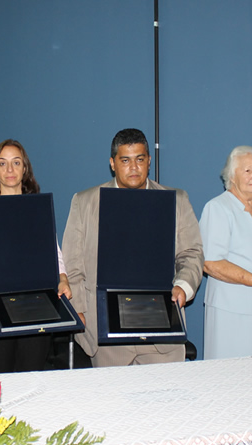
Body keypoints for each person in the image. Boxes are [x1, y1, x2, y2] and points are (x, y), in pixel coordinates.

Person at [62, 128, 203, 367]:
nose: (134, 167)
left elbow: (191, 253)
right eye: (125, 160)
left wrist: (183, 286)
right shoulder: (84, 202)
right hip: (105, 332)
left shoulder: (176, 200)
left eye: (140, 159)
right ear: (112, 163)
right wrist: (78, 310)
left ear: (149, 160)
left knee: (166, 391)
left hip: (161, 330)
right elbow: (72, 264)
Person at [0, 139, 71, 373]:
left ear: (25, 168)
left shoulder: (38, 206)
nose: (10, 169)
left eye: (16, 162)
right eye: (2, 163)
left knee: (32, 377)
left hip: (37, 306)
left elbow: (53, 251)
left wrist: (62, 279)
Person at [199, 145, 252, 359]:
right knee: (232, 371)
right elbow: (211, 263)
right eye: (248, 170)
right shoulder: (217, 208)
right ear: (232, 175)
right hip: (231, 309)